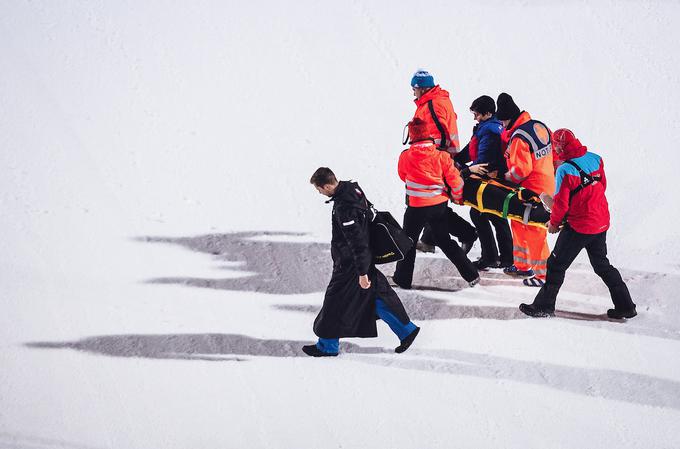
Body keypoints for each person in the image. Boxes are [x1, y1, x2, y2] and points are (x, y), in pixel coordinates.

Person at [519, 129, 637, 319]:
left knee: (556, 265)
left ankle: (544, 307)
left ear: (559, 146)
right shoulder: (596, 159)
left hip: (579, 226)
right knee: (602, 265)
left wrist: (554, 224)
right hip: (601, 222)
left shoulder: (565, 170)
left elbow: (561, 204)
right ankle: (626, 306)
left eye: (555, 145)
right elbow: (602, 187)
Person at [303, 167, 420, 357]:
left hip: (350, 264)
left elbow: (358, 243)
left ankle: (327, 346)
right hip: (357, 262)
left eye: (319, 189)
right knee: (376, 296)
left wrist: (362, 272)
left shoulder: (345, 209)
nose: (319, 193)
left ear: (327, 186)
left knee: (334, 302)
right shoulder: (352, 189)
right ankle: (406, 330)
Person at [392, 119, 480, 289]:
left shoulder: (406, 156)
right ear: (428, 134)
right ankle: (471, 274)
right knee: (444, 241)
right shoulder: (442, 156)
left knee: (408, 242)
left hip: (416, 208)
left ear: (412, 135)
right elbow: (455, 181)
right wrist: (456, 196)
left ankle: (402, 279)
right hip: (439, 207)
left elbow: (402, 175)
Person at [409, 69, 477, 254]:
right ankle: (429, 240)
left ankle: (467, 234)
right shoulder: (436, 100)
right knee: (434, 203)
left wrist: (432, 156)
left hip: (436, 159)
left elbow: (440, 133)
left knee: (432, 204)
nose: (412, 92)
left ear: (421, 89)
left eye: (414, 88)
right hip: (441, 157)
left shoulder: (432, 105)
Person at [496, 93, 555, 287]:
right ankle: (521, 265)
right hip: (546, 185)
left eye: (503, 122)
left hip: (531, 192)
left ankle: (543, 275)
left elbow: (521, 171)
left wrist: (503, 177)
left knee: (534, 231)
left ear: (508, 118)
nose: (502, 126)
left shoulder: (519, 138)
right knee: (518, 225)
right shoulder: (539, 126)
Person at [459, 95, 513, 270]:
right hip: (495, 179)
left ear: (488, 113)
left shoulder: (489, 131)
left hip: (488, 180)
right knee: (497, 217)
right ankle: (505, 257)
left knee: (482, 215)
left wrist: (466, 171)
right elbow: (472, 149)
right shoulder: (489, 126)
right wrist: (458, 158)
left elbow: (484, 161)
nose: (475, 117)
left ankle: (491, 257)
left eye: (477, 114)